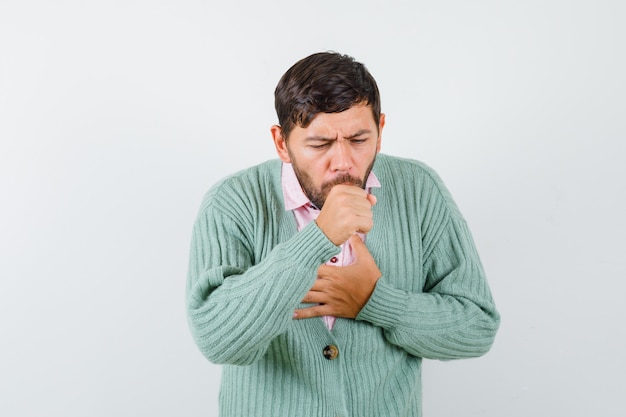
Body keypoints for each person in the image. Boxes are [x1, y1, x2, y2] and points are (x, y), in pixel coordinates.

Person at [186, 51, 500, 417]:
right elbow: (218, 340)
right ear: (281, 143)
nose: (343, 162)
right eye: (319, 145)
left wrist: (376, 301)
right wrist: (318, 237)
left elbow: (477, 327)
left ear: (380, 132)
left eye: (359, 139)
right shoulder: (233, 201)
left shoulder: (419, 189)